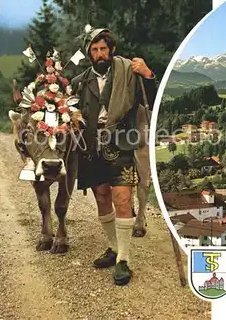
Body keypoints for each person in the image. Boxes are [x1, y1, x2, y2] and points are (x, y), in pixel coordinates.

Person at [71, 27, 158, 286]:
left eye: (103, 49)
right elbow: (72, 112)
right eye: (94, 50)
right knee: (102, 198)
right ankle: (113, 247)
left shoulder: (129, 72)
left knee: (122, 198)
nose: (99, 54)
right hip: (91, 147)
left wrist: (149, 75)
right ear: (89, 53)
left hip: (121, 143)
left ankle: (123, 260)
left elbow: (150, 100)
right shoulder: (79, 82)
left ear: (112, 50)